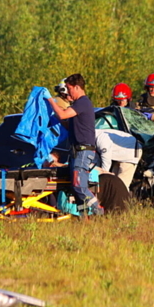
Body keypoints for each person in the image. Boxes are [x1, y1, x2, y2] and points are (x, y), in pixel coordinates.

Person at [47, 73, 103, 217]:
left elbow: (63, 115)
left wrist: (50, 100)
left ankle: (99, 211)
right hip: (76, 151)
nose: (68, 92)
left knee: (79, 185)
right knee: (74, 187)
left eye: (69, 88)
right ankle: (83, 217)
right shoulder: (78, 105)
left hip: (83, 151)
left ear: (77, 87)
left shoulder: (82, 102)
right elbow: (66, 122)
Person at [94, 126, 142, 190]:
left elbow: (106, 161)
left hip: (131, 154)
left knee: (122, 186)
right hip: (118, 156)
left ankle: (123, 196)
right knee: (113, 183)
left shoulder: (102, 139)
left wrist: (102, 177)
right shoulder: (94, 136)